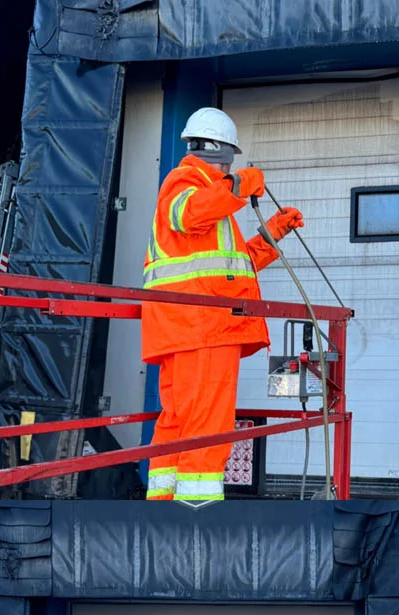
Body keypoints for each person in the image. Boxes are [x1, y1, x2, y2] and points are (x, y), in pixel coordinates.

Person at [141, 106, 304, 505]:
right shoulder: (187, 182)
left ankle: (163, 502)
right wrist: (240, 185)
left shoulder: (211, 198)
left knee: (178, 419)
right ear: (223, 151)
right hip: (203, 327)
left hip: (186, 328)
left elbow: (234, 269)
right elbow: (189, 213)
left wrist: (274, 232)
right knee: (207, 421)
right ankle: (199, 508)